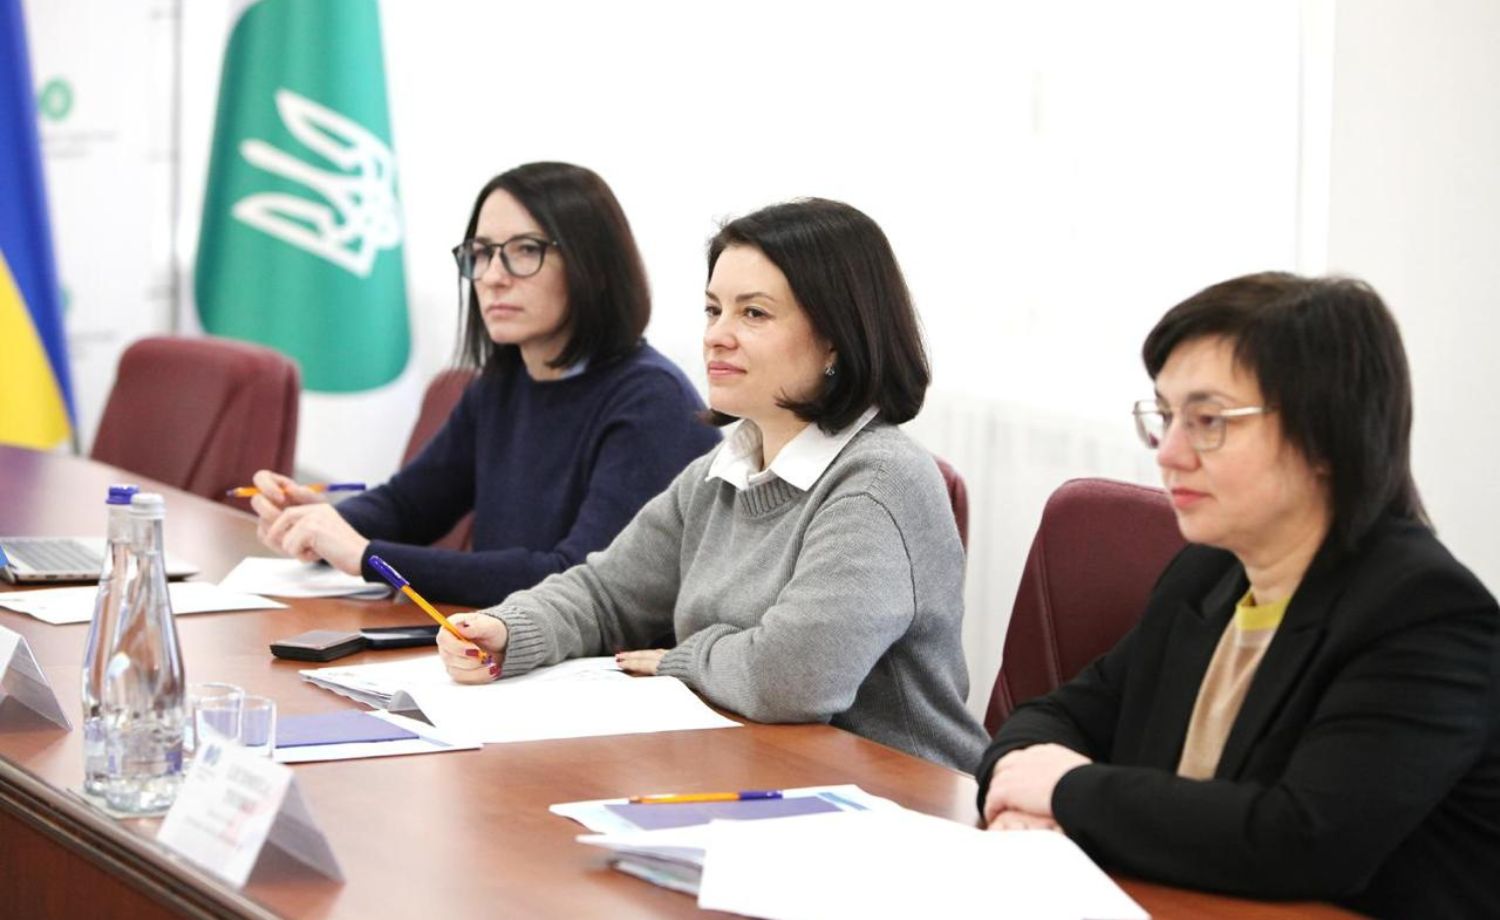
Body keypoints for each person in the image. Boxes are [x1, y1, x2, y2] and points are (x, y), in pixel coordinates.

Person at [976, 273, 1500, 918]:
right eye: (1165, 417)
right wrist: (1022, 791)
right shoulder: (1208, 573)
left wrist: (1065, 791)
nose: (1169, 453)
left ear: (1325, 436)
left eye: (1208, 421)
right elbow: (1055, 714)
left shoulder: (1426, 613)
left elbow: (1303, 839)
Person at [436, 198, 987, 771]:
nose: (717, 336)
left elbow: (793, 678)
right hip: (757, 768)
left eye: (754, 314)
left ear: (836, 340)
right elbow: (607, 594)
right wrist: (510, 628)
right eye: (713, 310)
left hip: (898, 793)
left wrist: (681, 659)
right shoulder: (723, 469)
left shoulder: (879, 481)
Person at [250, 162, 720, 607]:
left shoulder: (652, 402)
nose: (493, 277)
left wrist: (371, 557)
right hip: (502, 645)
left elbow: (576, 581)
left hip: (601, 660)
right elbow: (410, 505)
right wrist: (320, 522)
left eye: (525, 251)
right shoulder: (501, 386)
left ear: (594, 268)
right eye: (481, 253)